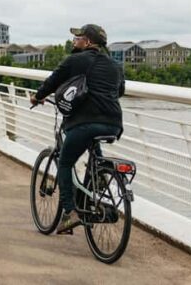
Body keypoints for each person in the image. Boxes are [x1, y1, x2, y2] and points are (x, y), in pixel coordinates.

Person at [30, 24, 124, 234]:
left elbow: (53, 82)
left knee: (64, 162)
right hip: (114, 123)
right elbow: (120, 91)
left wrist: (37, 97)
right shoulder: (115, 65)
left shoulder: (76, 60)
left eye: (78, 37)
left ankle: (70, 212)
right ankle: (95, 189)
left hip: (84, 123)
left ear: (88, 42)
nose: (74, 40)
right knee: (93, 155)